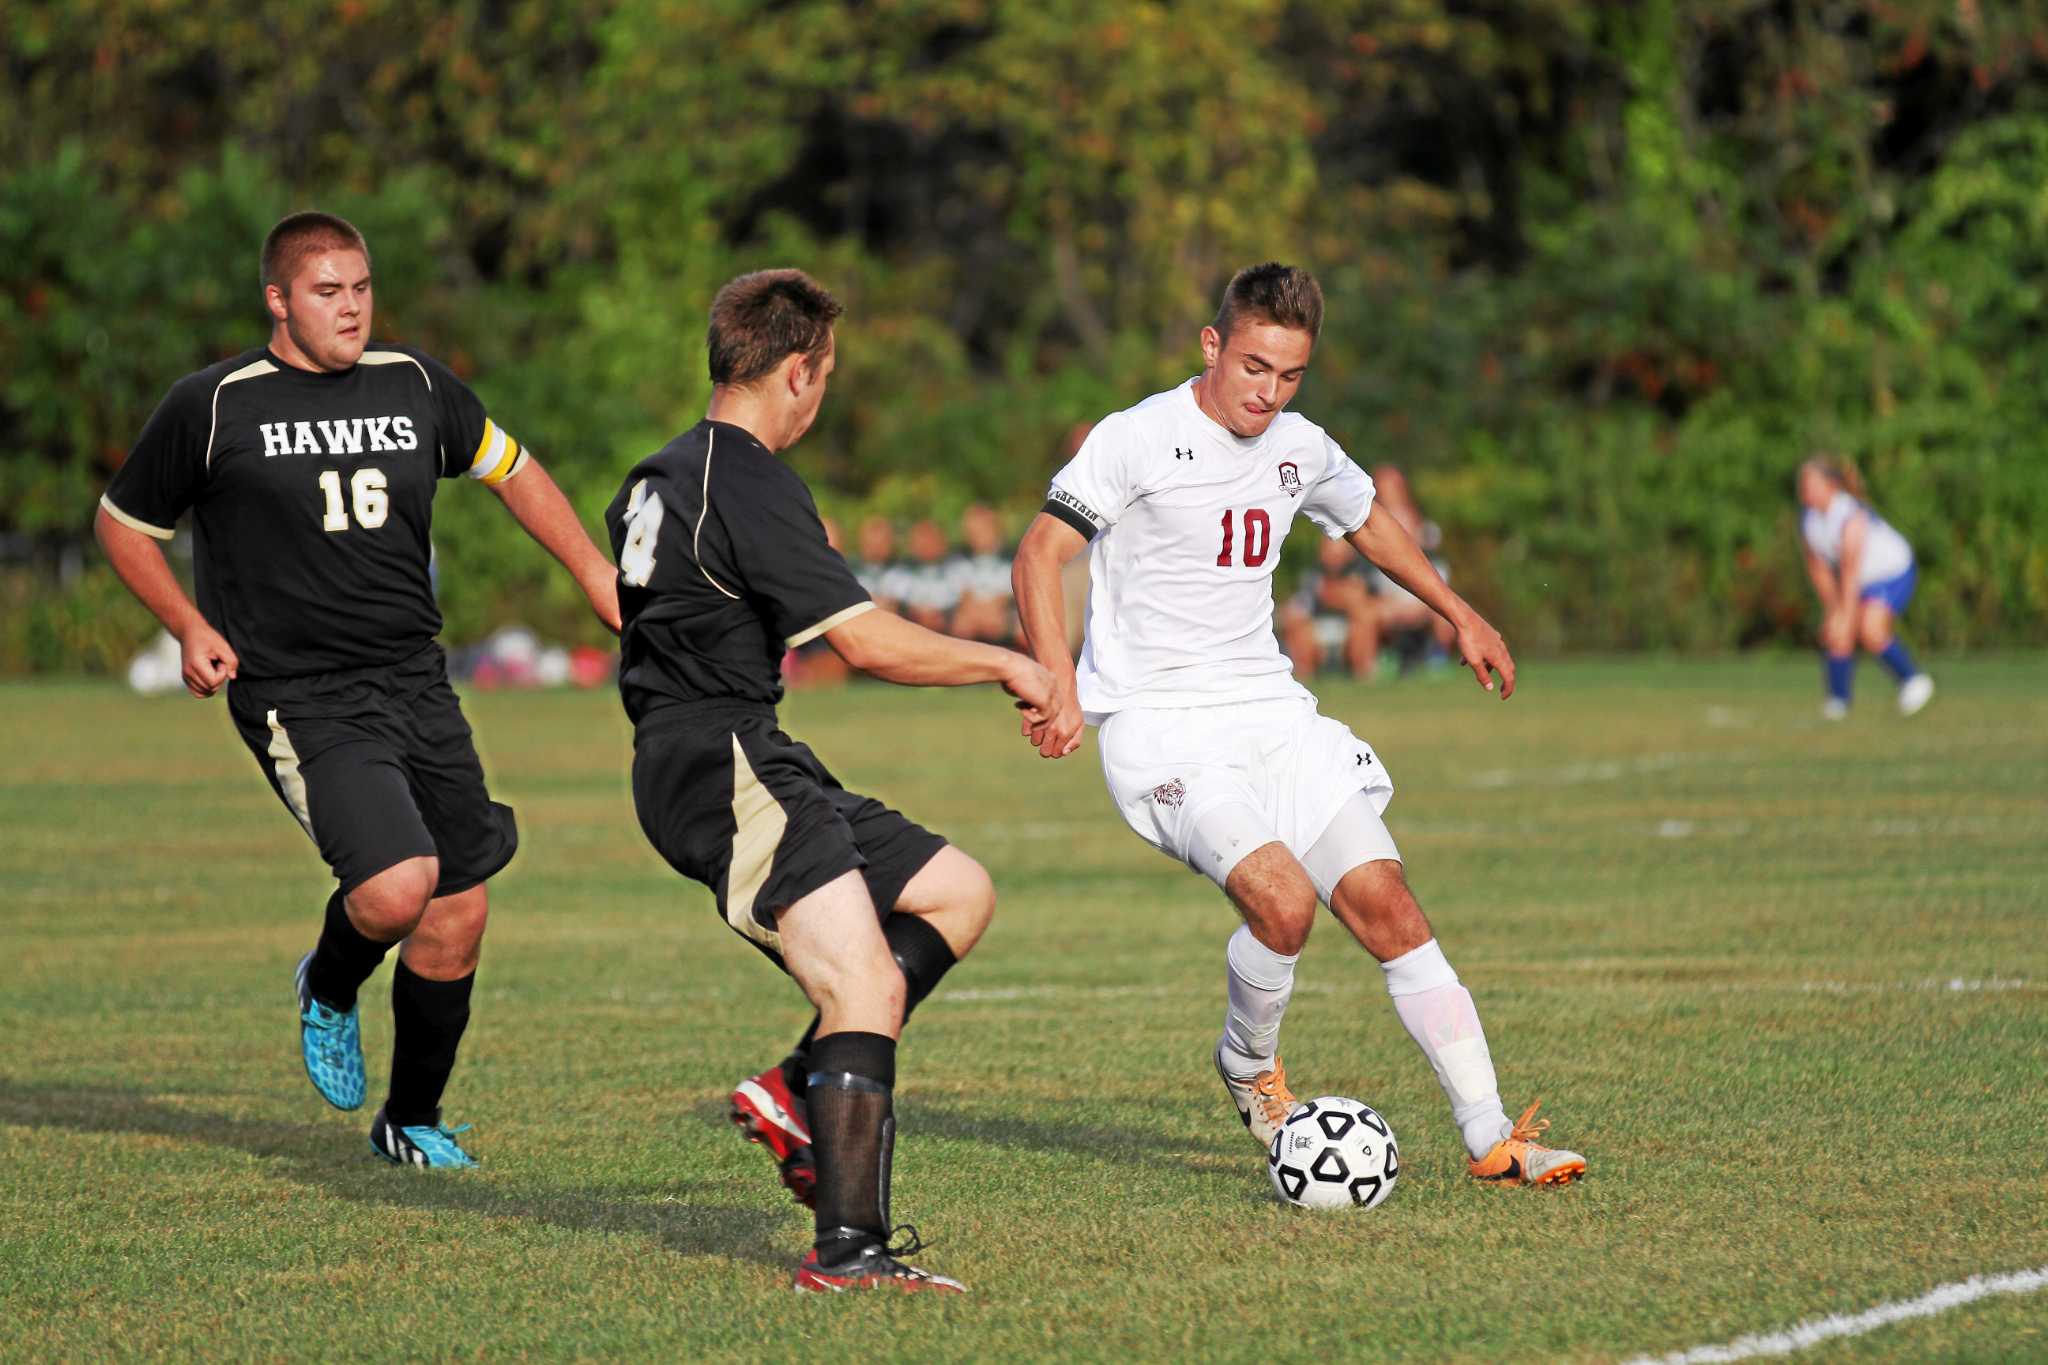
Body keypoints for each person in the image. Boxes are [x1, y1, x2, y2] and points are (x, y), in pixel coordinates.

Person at [1012, 262, 1586, 1189]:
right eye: (1252, 368)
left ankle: (1491, 1137)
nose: (1267, 392)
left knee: (1389, 905)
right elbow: (1041, 551)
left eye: (1289, 376)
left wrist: (1459, 613)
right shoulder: (1137, 438)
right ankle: (1249, 1063)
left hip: (1274, 714)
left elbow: (1365, 520)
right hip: (1164, 729)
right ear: (1212, 345)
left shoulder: (1301, 446)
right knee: (1282, 904)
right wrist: (1055, 677)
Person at [95, 211, 621, 1167]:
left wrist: (593, 573)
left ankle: (409, 1118)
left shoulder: (414, 383)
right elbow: (124, 523)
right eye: (327, 291)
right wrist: (190, 624)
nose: (350, 307)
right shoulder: (213, 404)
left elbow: (514, 469)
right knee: (394, 889)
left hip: (416, 682)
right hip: (302, 695)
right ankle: (328, 985)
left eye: (362, 288)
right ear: (279, 300)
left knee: (458, 911)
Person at [604, 268, 1055, 1293]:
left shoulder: (650, 476)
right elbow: (866, 643)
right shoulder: (749, 476)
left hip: (728, 749)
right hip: (720, 759)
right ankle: (849, 1252)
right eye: (827, 378)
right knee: (862, 982)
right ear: (798, 372)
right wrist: (1007, 662)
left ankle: (793, 1086)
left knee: (954, 891)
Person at [1797, 456, 1934, 719]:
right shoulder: (1810, 520)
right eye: (1803, 485)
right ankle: (1838, 702)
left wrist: (1844, 615)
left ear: (1831, 485)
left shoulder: (1850, 516)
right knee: (1838, 628)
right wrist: (1833, 610)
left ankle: (1914, 681)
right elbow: (1819, 568)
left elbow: (1849, 571)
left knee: (1869, 629)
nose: (1806, 491)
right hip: (1861, 579)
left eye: (1812, 484)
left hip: (1893, 572)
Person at [948, 503, 1016, 644]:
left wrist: (993, 611)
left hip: (1001, 616)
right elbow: (963, 596)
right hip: (973, 617)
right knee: (961, 624)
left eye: (981, 531)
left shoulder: (1012, 560)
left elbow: (1005, 598)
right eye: (971, 533)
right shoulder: (959, 561)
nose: (976, 537)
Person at [896, 518, 961, 633]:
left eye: (931, 539)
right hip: (911, 629)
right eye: (921, 540)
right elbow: (897, 602)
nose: (926, 545)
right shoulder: (900, 572)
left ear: (943, 541)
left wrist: (944, 616)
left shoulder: (958, 567)